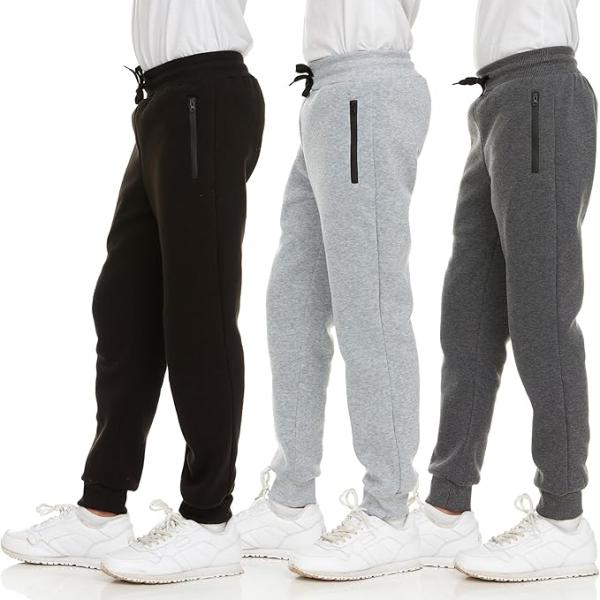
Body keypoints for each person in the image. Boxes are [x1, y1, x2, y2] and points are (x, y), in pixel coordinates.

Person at [1, 0, 264, 585]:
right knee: (124, 308)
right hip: (161, 101)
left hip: (204, 94)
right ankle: (102, 509)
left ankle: (209, 521)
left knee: (198, 312)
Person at [236, 0, 432, 581]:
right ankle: (292, 499)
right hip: (327, 95)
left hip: (364, 90)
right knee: (292, 302)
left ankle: (390, 511)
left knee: (370, 306)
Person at [416, 0, 599, 583]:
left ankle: (564, 520)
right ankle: (447, 508)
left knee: (541, 315)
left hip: (542, 90)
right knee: (467, 315)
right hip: (495, 101)